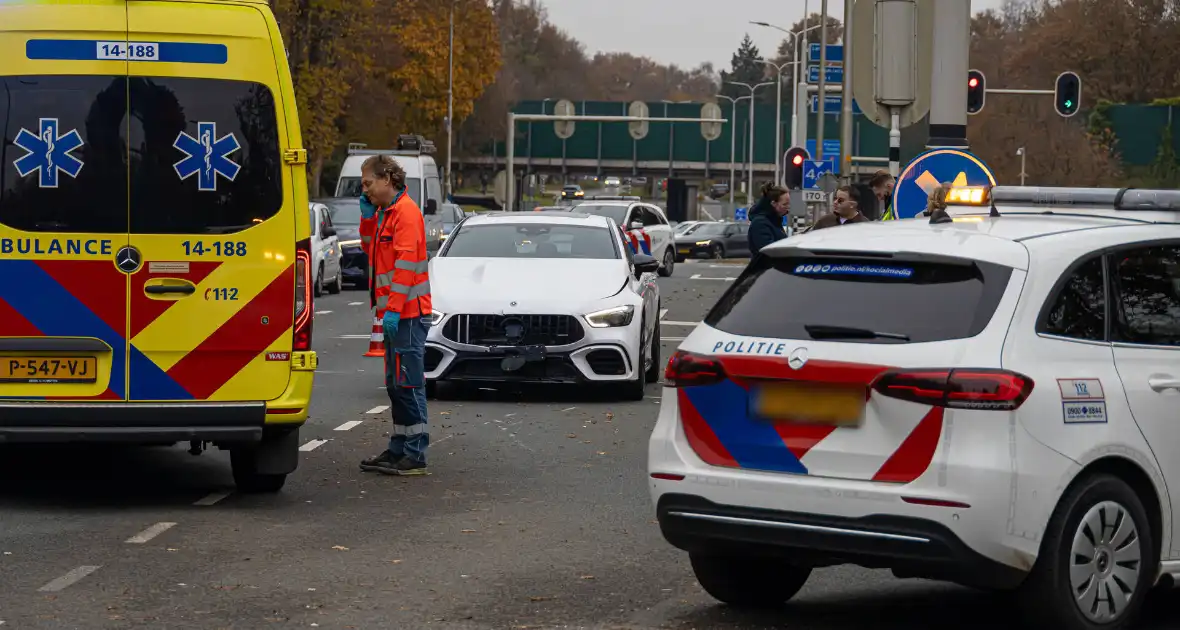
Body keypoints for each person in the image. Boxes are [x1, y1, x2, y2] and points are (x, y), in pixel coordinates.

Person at [357, 155, 433, 476]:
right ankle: (399, 447)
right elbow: (368, 248)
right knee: (395, 385)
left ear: (387, 179)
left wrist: (393, 311)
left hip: (408, 315)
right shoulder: (386, 214)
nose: (365, 190)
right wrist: (367, 219)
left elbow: (403, 268)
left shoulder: (406, 214)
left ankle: (416, 453)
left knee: (409, 384)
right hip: (396, 314)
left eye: (368, 183)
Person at [747, 182, 789, 254]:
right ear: (773, 204)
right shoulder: (760, 223)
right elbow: (768, 251)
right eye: (785, 204)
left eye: (789, 203)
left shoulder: (775, 221)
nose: (788, 207)